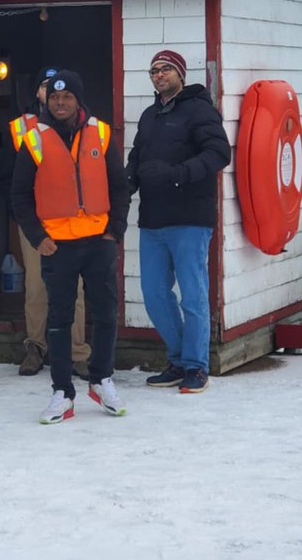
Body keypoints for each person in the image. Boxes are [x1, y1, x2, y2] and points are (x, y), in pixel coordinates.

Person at [10, 70, 130, 424]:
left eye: (67, 98)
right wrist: (37, 238)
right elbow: (19, 194)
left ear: (79, 100)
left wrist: (115, 231)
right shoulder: (34, 140)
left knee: (106, 314)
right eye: (54, 98)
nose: (60, 103)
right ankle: (62, 392)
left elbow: (120, 187)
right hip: (57, 246)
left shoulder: (101, 134)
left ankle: (102, 379)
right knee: (60, 320)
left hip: (98, 242)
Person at [126, 49, 231, 394]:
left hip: (189, 218)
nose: (159, 75)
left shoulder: (200, 110)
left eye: (166, 69)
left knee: (193, 295)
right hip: (152, 219)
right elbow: (137, 158)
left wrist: (177, 175)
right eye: (154, 70)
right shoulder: (148, 116)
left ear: (181, 74)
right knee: (154, 293)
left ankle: (196, 366)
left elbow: (219, 153)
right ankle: (178, 359)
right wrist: (124, 186)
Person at [0, 66, 90, 378]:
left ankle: (78, 353)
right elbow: (10, 179)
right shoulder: (21, 129)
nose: (54, 96)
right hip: (36, 224)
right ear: (39, 94)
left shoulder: (84, 128)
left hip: (74, 225)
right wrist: (22, 220)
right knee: (36, 288)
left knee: (74, 290)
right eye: (47, 88)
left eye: (61, 91)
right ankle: (35, 348)